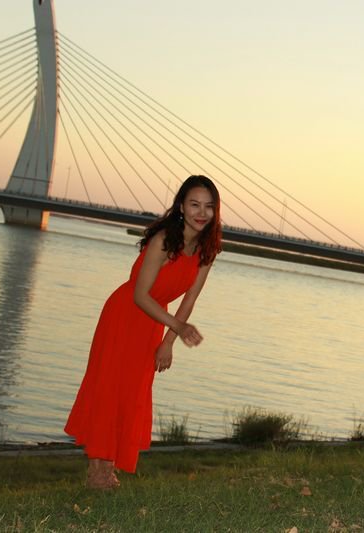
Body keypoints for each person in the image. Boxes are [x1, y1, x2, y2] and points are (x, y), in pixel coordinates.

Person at [65, 175, 222, 490]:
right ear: (181, 206)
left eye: (208, 206)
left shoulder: (207, 250)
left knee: (132, 393)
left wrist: (168, 342)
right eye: (194, 204)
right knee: (109, 388)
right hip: (124, 315)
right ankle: (98, 472)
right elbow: (140, 295)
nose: (201, 213)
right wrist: (177, 326)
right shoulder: (164, 240)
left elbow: (189, 300)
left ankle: (108, 467)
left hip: (154, 322)